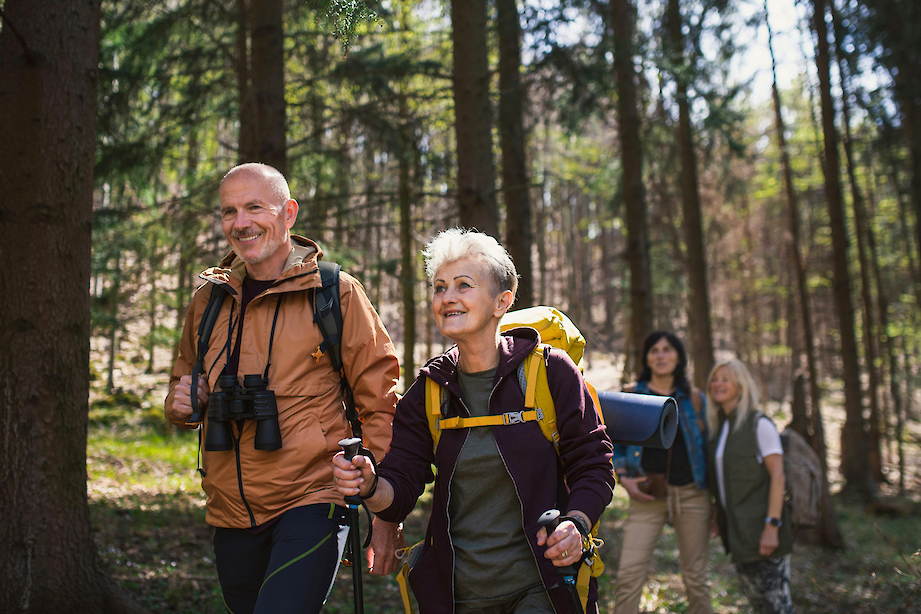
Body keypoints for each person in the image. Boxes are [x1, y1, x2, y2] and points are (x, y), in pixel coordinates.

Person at [332, 228, 616, 614]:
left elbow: (593, 462)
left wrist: (576, 524)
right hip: (457, 595)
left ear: (503, 301)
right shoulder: (429, 392)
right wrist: (369, 483)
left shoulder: (550, 372)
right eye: (439, 287)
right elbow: (399, 488)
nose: (447, 297)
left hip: (543, 589)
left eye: (464, 285)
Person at [164, 163, 403, 614]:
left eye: (255, 207)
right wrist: (183, 404)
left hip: (314, 497)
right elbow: (184, 384)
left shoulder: (334, 293)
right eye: (229, 211)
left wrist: (385, 506)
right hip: (228, 509)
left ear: (288, 213)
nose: (241, 223)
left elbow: (382, 403)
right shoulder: (209, 299)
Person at [612, 332, 712, 614]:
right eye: (654, 350)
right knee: (629, 575)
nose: (661, 355)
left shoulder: (694, 399)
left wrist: (717, 501)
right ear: (646, 358)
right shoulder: (631, 395)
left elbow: (706, 448)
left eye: (668, 349)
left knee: (696, 578)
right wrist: (624, 477)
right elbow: (613, 443)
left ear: (679, 357)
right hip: (646, 494)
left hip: (692, 494)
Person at [707, 358, 795, 614]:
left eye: (726, 378)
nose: (718, 383)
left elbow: (778, 477)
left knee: (777, 606)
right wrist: (717, 513)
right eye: (715, 378)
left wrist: (772, 526)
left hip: (764, 530)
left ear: (741, 385)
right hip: (738, 533)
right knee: (758, 605)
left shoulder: (760, 424)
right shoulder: (720, 426)